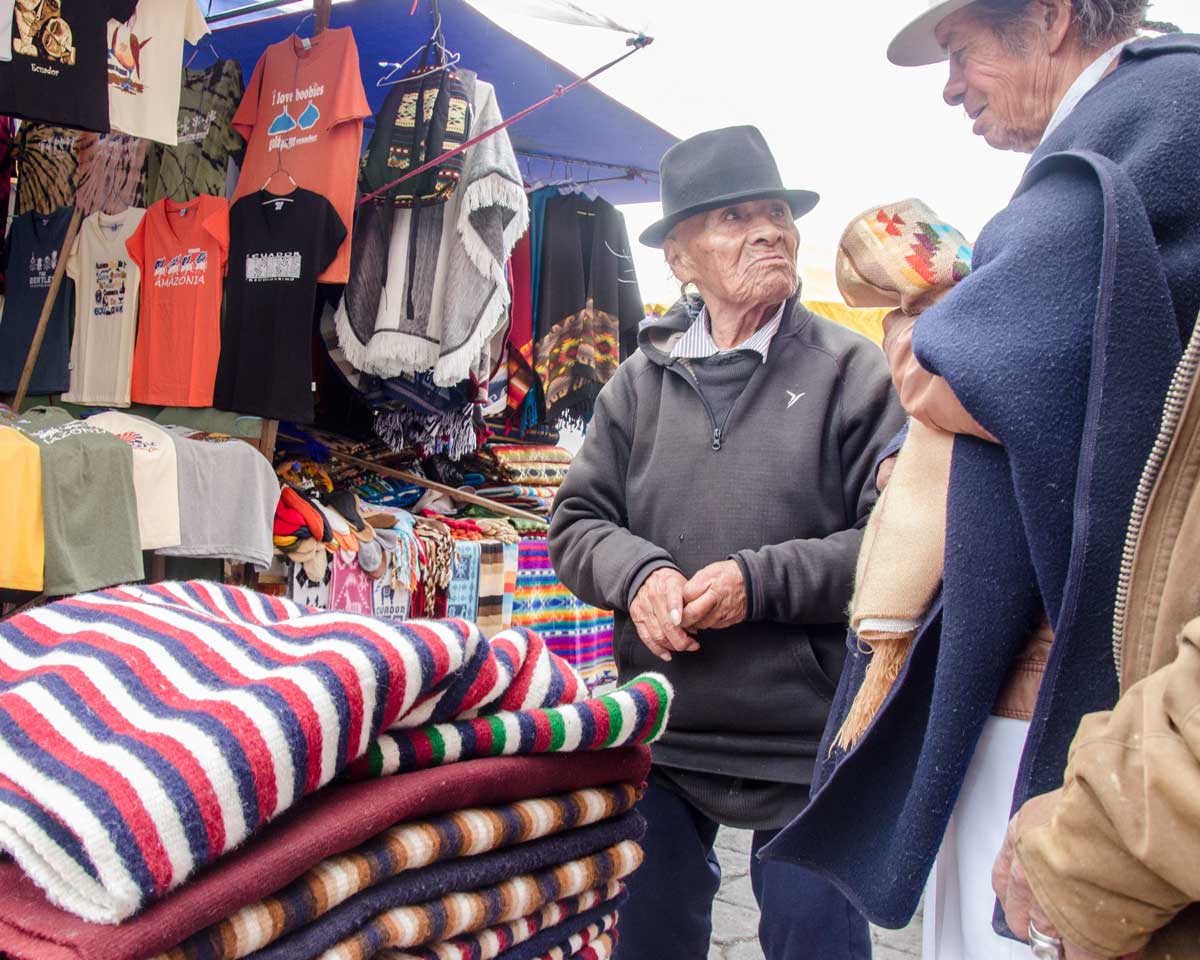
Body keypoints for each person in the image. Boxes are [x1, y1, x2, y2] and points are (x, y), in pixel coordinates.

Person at [758, 4, 1200, 960]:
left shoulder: (1155, 115)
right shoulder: (1141, 119)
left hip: (1080, 695)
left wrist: (928, 339)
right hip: (1084, 683)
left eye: (962, 52)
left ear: (1047, 19)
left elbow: (984, 363)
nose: (952, 85)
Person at [548, 125, 904, 959]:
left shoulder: (854, 372)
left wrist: (760, 582)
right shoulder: (638, 382)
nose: (769, 231)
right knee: (647, 935)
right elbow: (577, 522)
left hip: (808, 730)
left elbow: (897, 549)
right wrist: (638, 575)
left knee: (813, 938)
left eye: (777, 212)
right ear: (679, 257)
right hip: (664, 724)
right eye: (736, 217)